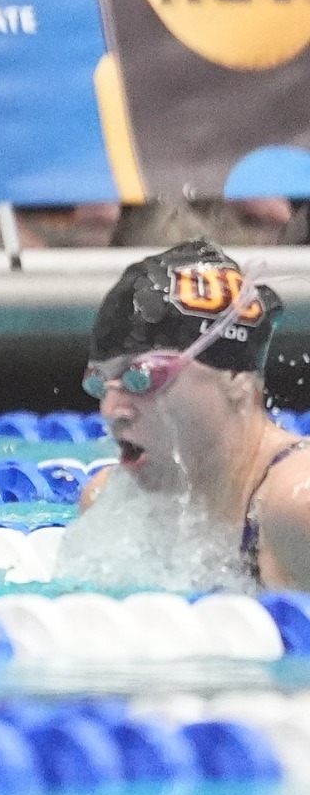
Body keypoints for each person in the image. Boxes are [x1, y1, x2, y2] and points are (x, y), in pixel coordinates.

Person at [74, 240, 310, 587]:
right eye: (100, 383)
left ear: (234, 378)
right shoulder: (106, 503)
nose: (112, 411)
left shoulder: (296, 506)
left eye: (143, 376)